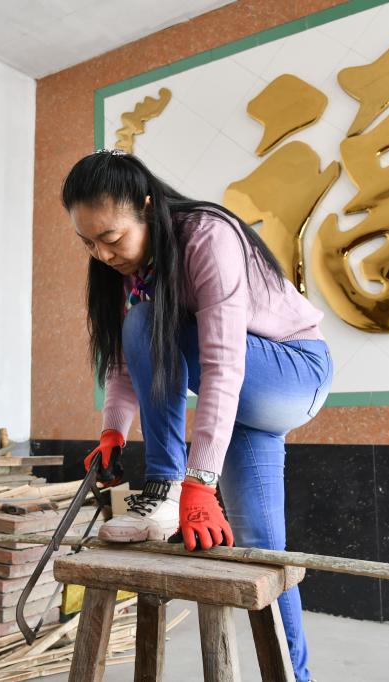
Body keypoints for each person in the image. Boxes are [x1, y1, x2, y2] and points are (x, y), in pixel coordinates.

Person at [62, 149, 333, 682]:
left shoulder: (206, 236)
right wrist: (114, 429)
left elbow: (224, 362)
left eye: (111, 238)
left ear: (145, 205)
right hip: (239, 405)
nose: (101, 254)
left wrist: (197, 482)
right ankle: (298, 678)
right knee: (263, 552)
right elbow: (122, 363)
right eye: (88, 242)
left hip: (292, 374)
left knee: (145, 324)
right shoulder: (129, 271)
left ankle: (163, 485)